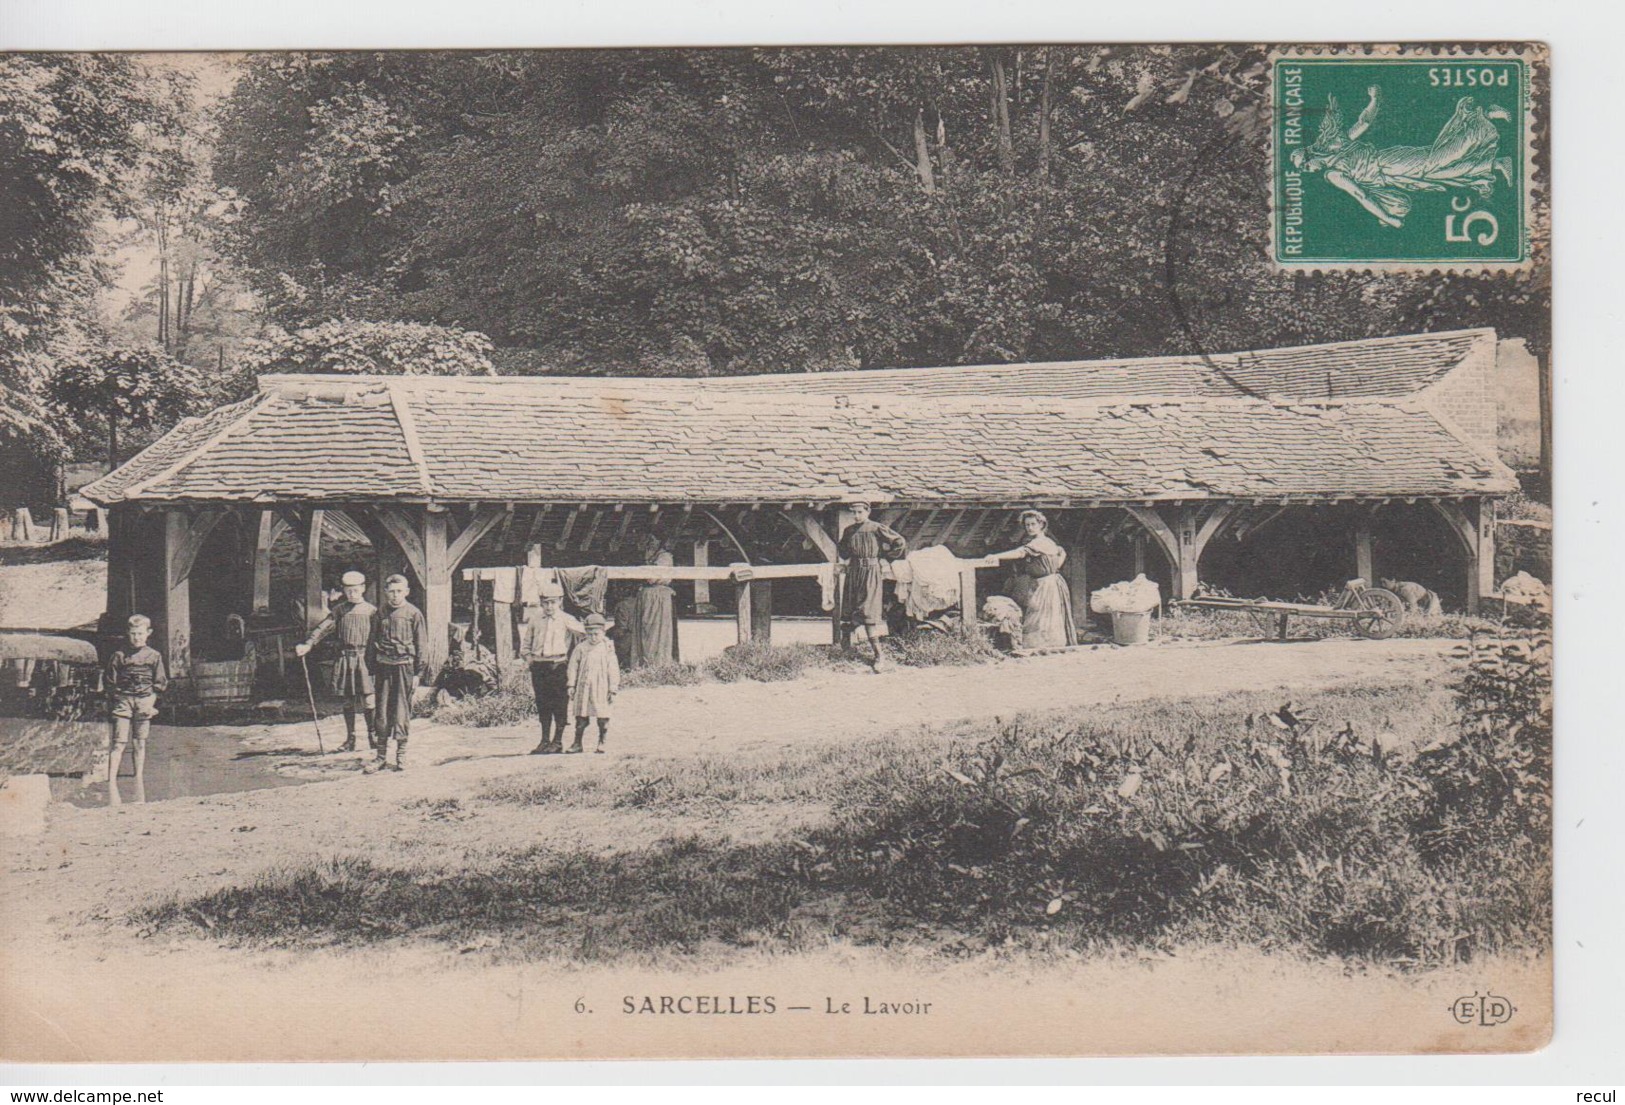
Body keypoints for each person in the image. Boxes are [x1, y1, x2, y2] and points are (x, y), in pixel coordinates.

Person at [294, 569, 377, 753]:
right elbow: (324, 628)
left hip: (365, 660)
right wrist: (308, 644)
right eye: (348, 590)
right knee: (347, 702)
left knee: (369, 701)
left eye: (355, 589)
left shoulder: (372, 612)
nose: (351, 593)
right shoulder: (339, 610)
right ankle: (350, 739)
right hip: (345, 658)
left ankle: (373, 736)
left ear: (362, 588)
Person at [364, 574, 430, 774]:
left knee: (402, 710)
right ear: (385, 593)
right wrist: (371, 669)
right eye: (391, 591)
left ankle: (401, 755)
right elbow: (371, 642)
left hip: (404, 668)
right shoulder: (379, 613)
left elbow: (421, 644)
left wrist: (419, 673)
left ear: (407, 592)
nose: (395, 595)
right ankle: (381, 756)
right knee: (382, 712)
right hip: (383, 667)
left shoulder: (413, 613)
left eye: (399, 591)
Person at [105, 614, 168, 806]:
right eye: (133, 634)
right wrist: (116, 700)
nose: (136, 638)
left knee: (140, 741)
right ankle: (111, 781)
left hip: (144, 701)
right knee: (118, 743)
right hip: (123, 702)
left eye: (140, 634)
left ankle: (138, 778)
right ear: (127, 634)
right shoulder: (118, 655)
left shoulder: (154, 656)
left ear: (148, 634)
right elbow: (109, 682)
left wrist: (151, 703)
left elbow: (160, 683)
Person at [837, 500, 908, 670]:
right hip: (853, 573)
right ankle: (846, 652)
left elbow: (899, 542)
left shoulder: (877, 528)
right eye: (853, 512)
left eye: (860, 512)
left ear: (868, 512)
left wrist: (886, 557)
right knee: (849, 608)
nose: (856, 516)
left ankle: (878, 656)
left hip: (871, 572)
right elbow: (843, 551)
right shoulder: (849, 531)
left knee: (868, 612)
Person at [990, 510, 1077, 649]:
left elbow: (1020, 553)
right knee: (1039, 615)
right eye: (1027, 525)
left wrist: (996, 556)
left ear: (1041, 525)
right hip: (1041, 582)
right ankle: (1042, 645)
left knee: (1041, 616)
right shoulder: (1044, 542)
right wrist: (1054, 567)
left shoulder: (1041, 542)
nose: (1029, 528)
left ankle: (1045, 645)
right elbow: (1062, 552)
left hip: (1047, 585)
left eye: (1033, 524)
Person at [521, 593, 583, 755]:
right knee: (543, 703)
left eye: (552, 603)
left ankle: (558, 741)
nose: (549, 606)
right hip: (539, 666)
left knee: (559, 703)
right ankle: (544, 740)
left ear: (560, 601)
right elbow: (526, 643)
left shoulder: (566, 619)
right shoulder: (535, 619)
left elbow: (586, 633)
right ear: (541, 602)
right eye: (545, 603)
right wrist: (529, 659)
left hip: (558, 666)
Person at [566, 612, 620, 754]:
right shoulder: (581, 648)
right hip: (583, 687)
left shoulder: (607, 648)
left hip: (601, 687)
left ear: (603, 632)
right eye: (589, 634)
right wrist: (571, 684)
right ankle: (577, 743)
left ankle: (602, 742)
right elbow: (573, 667)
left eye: (596, 634)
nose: (593, 637)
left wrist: (613, 688)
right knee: (581, 717)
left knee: (602, 715)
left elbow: (613, 668)